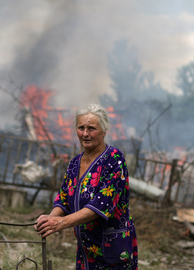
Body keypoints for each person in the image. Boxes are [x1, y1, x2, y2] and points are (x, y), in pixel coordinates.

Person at [35, 104, 138, 270]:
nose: (85, 134)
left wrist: (61, 222)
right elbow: (63, 198)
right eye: (81, 128)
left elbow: (101, 206)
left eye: (91, 128)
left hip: (112, 245)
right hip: (86, 247)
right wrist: (51, 218)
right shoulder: (75, 162)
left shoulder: (114, 160)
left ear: (104, 131)